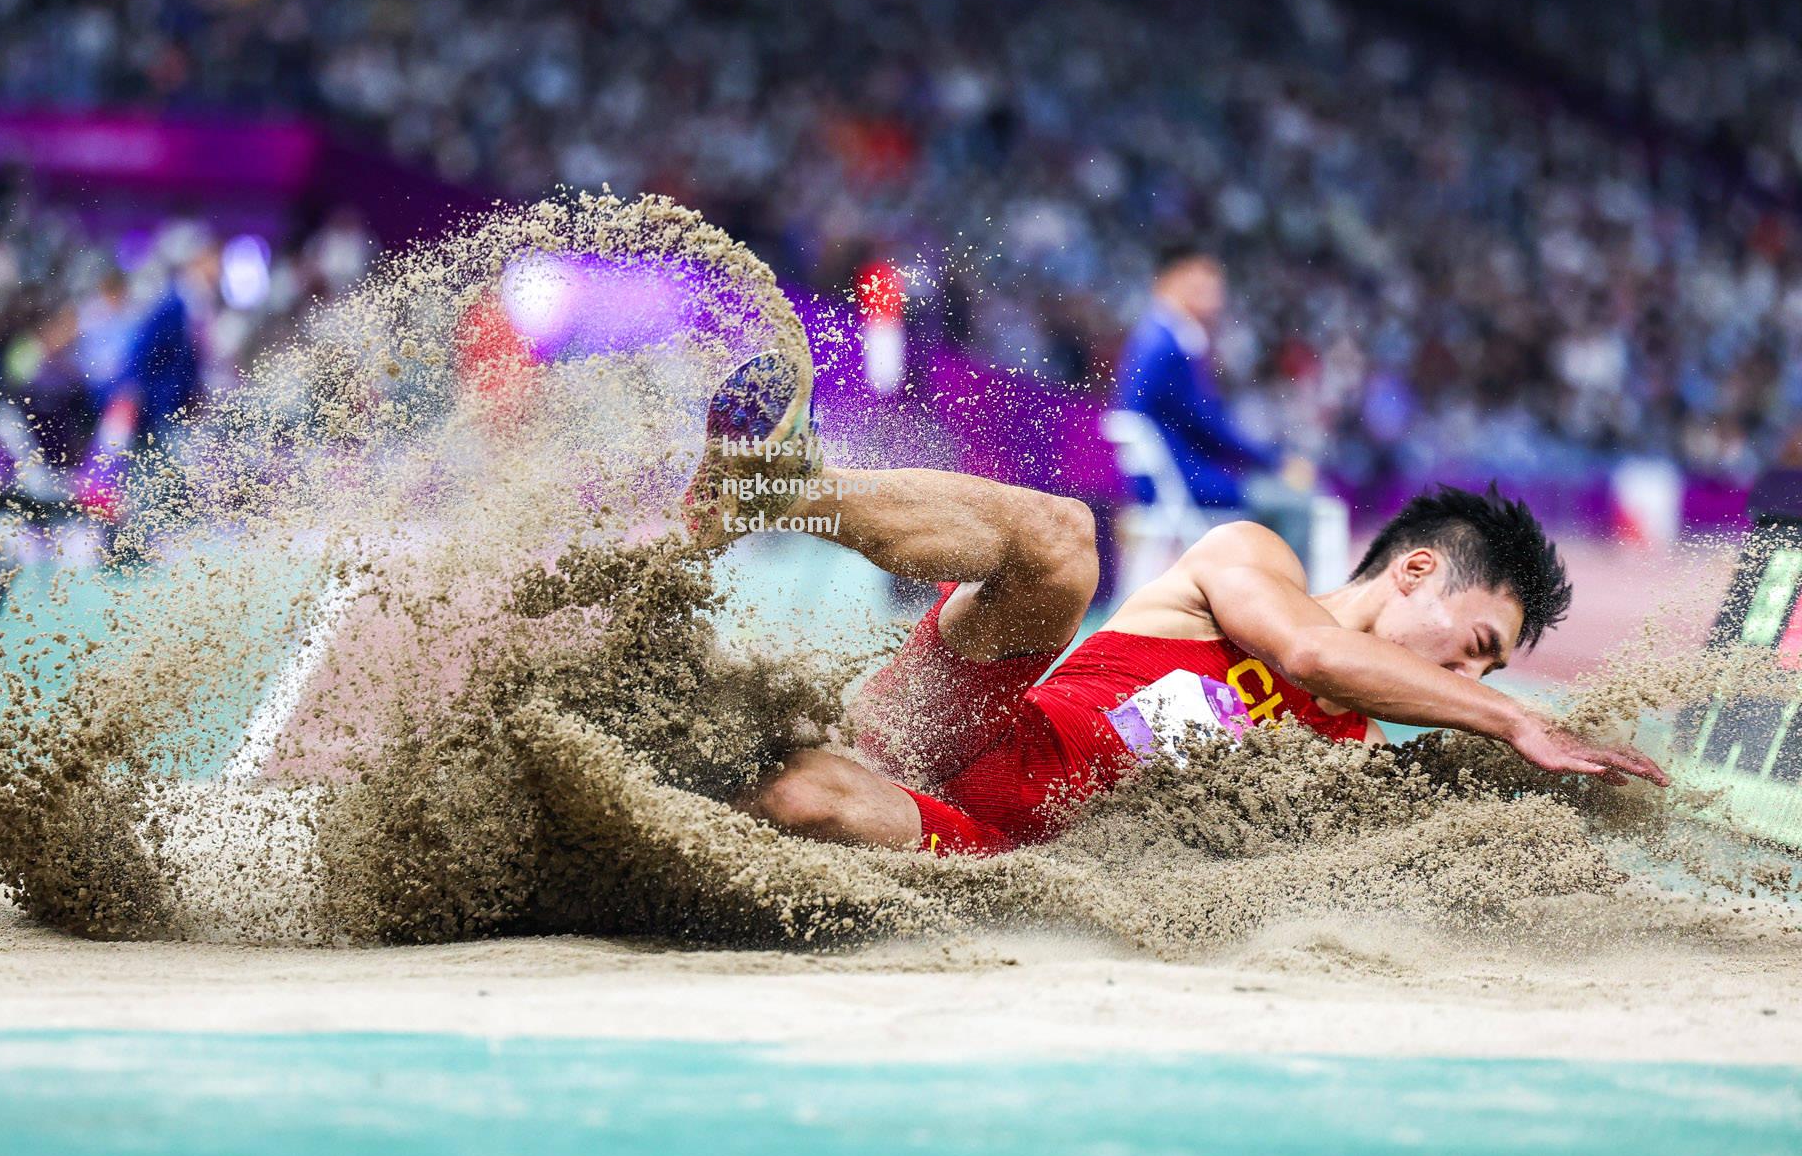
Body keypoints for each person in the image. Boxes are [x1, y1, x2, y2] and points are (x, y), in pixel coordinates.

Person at [686, 351, 1667, 856]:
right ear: (1413, 573)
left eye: (1489, 674)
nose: (1470, 675)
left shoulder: (1353, 761)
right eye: (1479, 644)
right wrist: (1513, 719)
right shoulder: (1250, 560)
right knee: (1064, 541)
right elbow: (1313, 657)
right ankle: (772, 491)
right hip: (962, 726)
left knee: (797, 799)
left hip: (992, 849)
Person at [1114, 241, 1315, 557]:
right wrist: (1274, 462)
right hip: (1181, 479)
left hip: (1174, 472)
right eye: (1206, 278)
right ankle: (1286, 602)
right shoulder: (1169, 345)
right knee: (1296, 505)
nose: (1217, 289)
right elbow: (1208, 424)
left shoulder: (1156, 335)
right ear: (1175, 278)